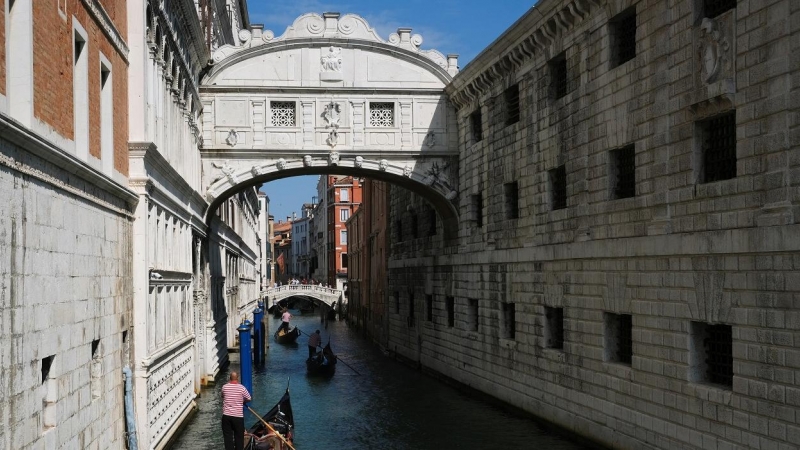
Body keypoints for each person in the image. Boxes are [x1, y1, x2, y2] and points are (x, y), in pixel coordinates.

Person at [221, 371, 252, 450]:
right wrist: (243, 401)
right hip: (238, 417)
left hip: (226, 416)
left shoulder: (224, 387)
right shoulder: (241, 388)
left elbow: (222, 396)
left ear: (230, 378)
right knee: (239, 438)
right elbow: (249, 398)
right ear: (237, 378)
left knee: (228, 438)